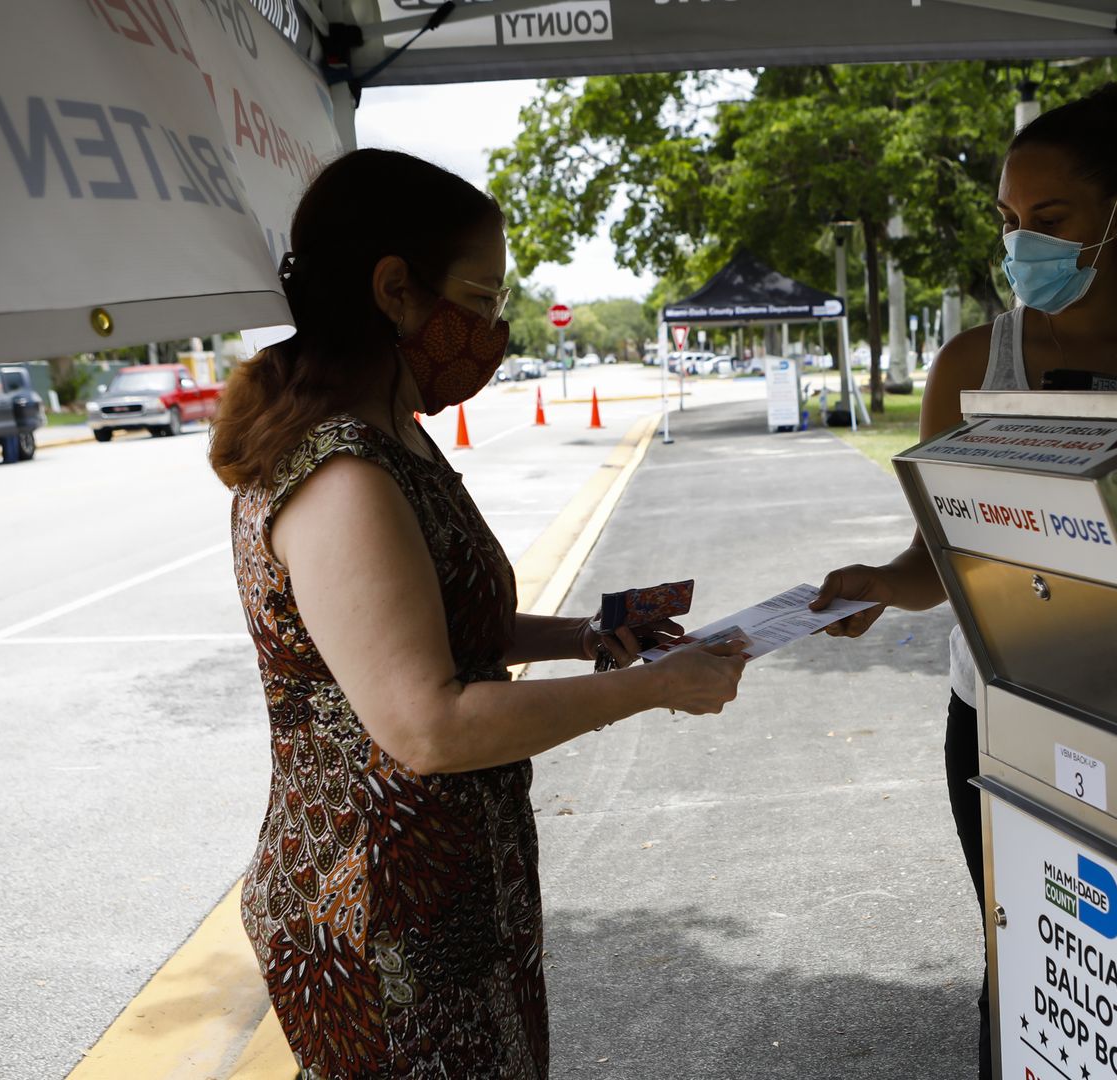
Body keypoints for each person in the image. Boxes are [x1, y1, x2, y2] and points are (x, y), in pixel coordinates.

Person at [209, 149, 748, 1078]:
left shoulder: (390, 438)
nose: (494, 328)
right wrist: (654, 690)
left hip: (446, 888)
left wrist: (589, 639)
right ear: (394, 289)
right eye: (483, 298)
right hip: (382, 914)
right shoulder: (343, 474)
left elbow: (456, 631)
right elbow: (429, 724)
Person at [808, 81, 1117, 1078]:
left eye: (1049, 220)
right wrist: (881, 585)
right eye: (1011, 222)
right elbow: (938, 565)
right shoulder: (971, 362)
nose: (1023, 244)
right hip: (1001, 721)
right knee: (1029, 968)